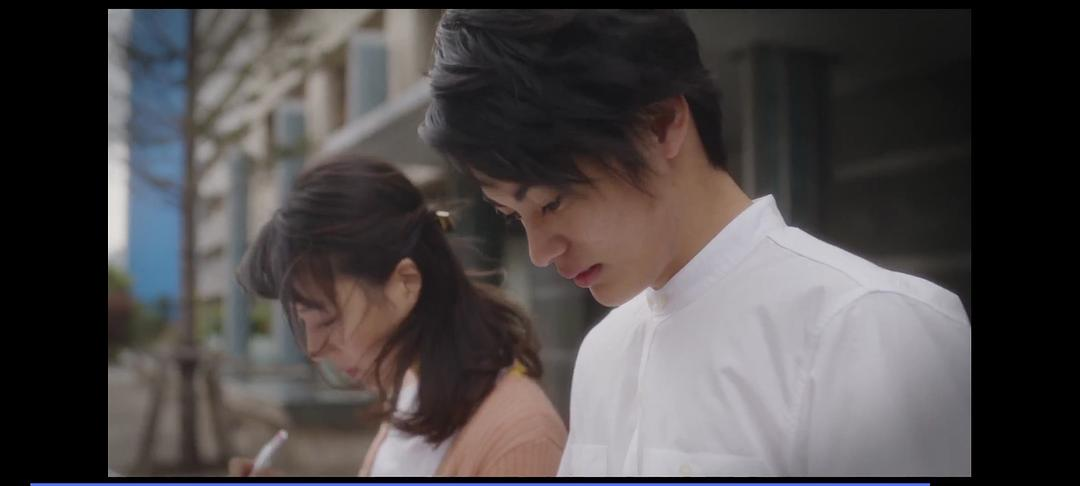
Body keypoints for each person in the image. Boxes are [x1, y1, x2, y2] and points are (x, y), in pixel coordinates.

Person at [419, 9, 971, 476]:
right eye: (513, 217)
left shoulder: (868, 328)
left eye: (552, 202)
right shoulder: (603, 353)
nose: (541, 253)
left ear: (660, 126)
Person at [229, 154, 566, 476]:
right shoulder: (411, 392)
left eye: (327, 318)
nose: (315, 348)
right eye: (305, 323)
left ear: (405, 282)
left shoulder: (519, 440)